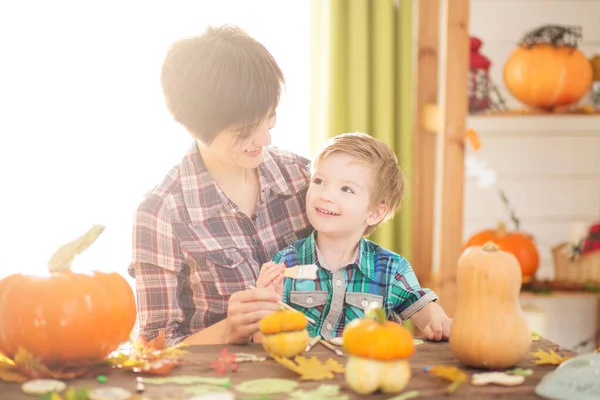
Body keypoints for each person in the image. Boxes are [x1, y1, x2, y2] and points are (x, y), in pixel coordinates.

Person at [128, 25, 313, 346]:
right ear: (195, 127)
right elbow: (154, 349)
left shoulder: (302, 177)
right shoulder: (161, 213)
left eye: (269, 117)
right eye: (244, 130)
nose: (265, 139)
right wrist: (230, 329)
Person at [271, 132, 453, 341]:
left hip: (369, 371)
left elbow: (423, 310)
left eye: (346, 189)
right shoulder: (286, 262)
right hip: (304, 371)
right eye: (319, 181)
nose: (326, 195)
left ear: (375, 213)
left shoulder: (391, 268)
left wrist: (437, 321)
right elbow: (269, 329)